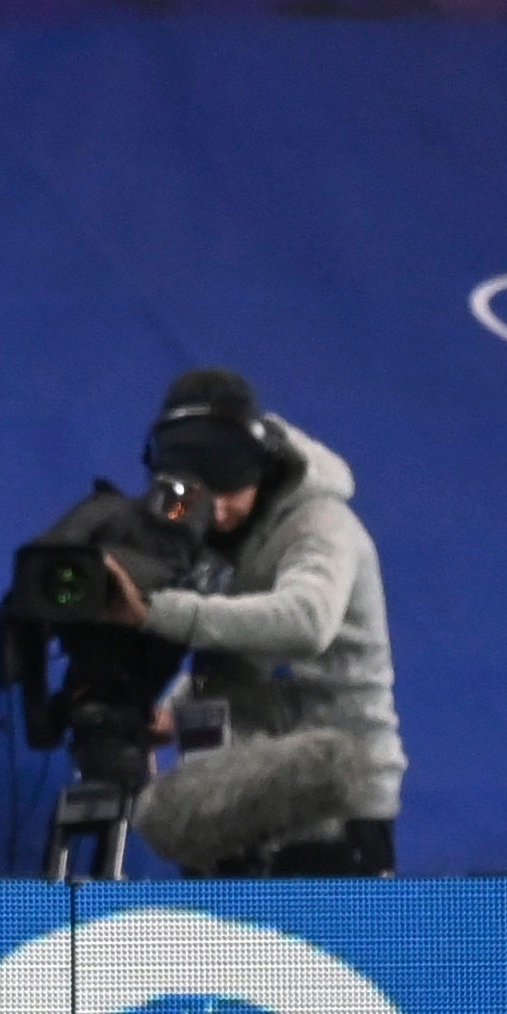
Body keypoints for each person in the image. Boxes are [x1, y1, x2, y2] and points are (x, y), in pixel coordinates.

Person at [108, 369, 406, 876]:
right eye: (203, 495)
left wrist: (155, 613)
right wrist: (173, 710)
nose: (219, 511)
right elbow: (232, 646)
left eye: (232, 490)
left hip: (331, 803)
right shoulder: (201, 524)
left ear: (263, 469)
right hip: (233, 794)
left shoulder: (321, 525)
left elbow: (305, 621)